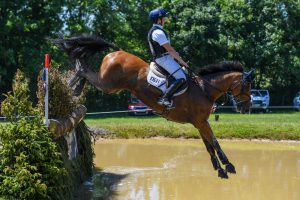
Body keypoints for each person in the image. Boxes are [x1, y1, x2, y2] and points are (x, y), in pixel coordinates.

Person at [148, 8, 189, 108]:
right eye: (164, 18)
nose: (165, 20)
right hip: (163, 59)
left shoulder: (159, 31)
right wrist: (182, 62)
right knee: (182, 77)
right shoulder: (158, 32)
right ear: (159, 20)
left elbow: (169, 50)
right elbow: (170, 50)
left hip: (166, 58)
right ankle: (165, 98)